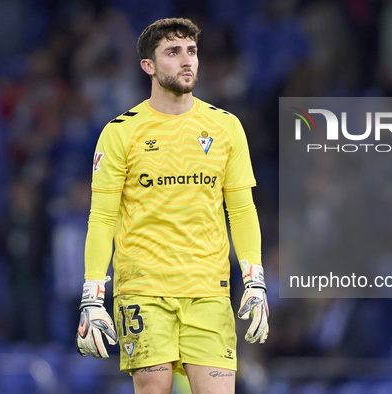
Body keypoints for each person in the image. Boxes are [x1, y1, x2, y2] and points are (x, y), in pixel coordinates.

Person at [74, 18, 269, 394]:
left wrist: (255, 281)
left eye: (192, 52)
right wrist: (92, 296)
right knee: (154, 387)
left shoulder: (226, 127)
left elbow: (242, 210)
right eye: (173, 52)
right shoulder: (121, 132)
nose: (186, 61)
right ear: (148, 65)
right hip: (143, 290)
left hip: (209, 291)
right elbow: (102, 217)